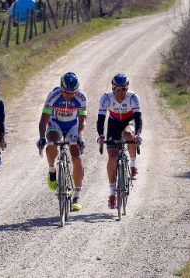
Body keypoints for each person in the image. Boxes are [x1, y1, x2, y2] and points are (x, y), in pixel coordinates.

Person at [35, 72, 88, 212]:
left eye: (72, 92)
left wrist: (80, 137)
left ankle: (76, 196)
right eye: (66, 92)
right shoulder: (53, 95)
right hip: (55, 124)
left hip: (72, 126)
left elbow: (82, 121)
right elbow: (44, 118)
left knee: (76, 157)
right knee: (51, 142)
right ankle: (52, 171)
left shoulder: (81, 98)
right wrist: (41, 137)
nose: (69, 95)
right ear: (61, 87)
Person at [96, 73, 142, 210]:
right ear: (113, 88)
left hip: (129, 121)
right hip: (114, 123)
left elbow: (138, 118)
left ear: (127, 88)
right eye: (117, 89)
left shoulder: (133, 97)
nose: (121, 92)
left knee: (129, 134)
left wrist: (138, 134)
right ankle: (111, 194)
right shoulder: (106, 98)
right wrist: (100, 135)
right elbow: (101, 119)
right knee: (112, 158)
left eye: (124, 89)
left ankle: (133, 165)